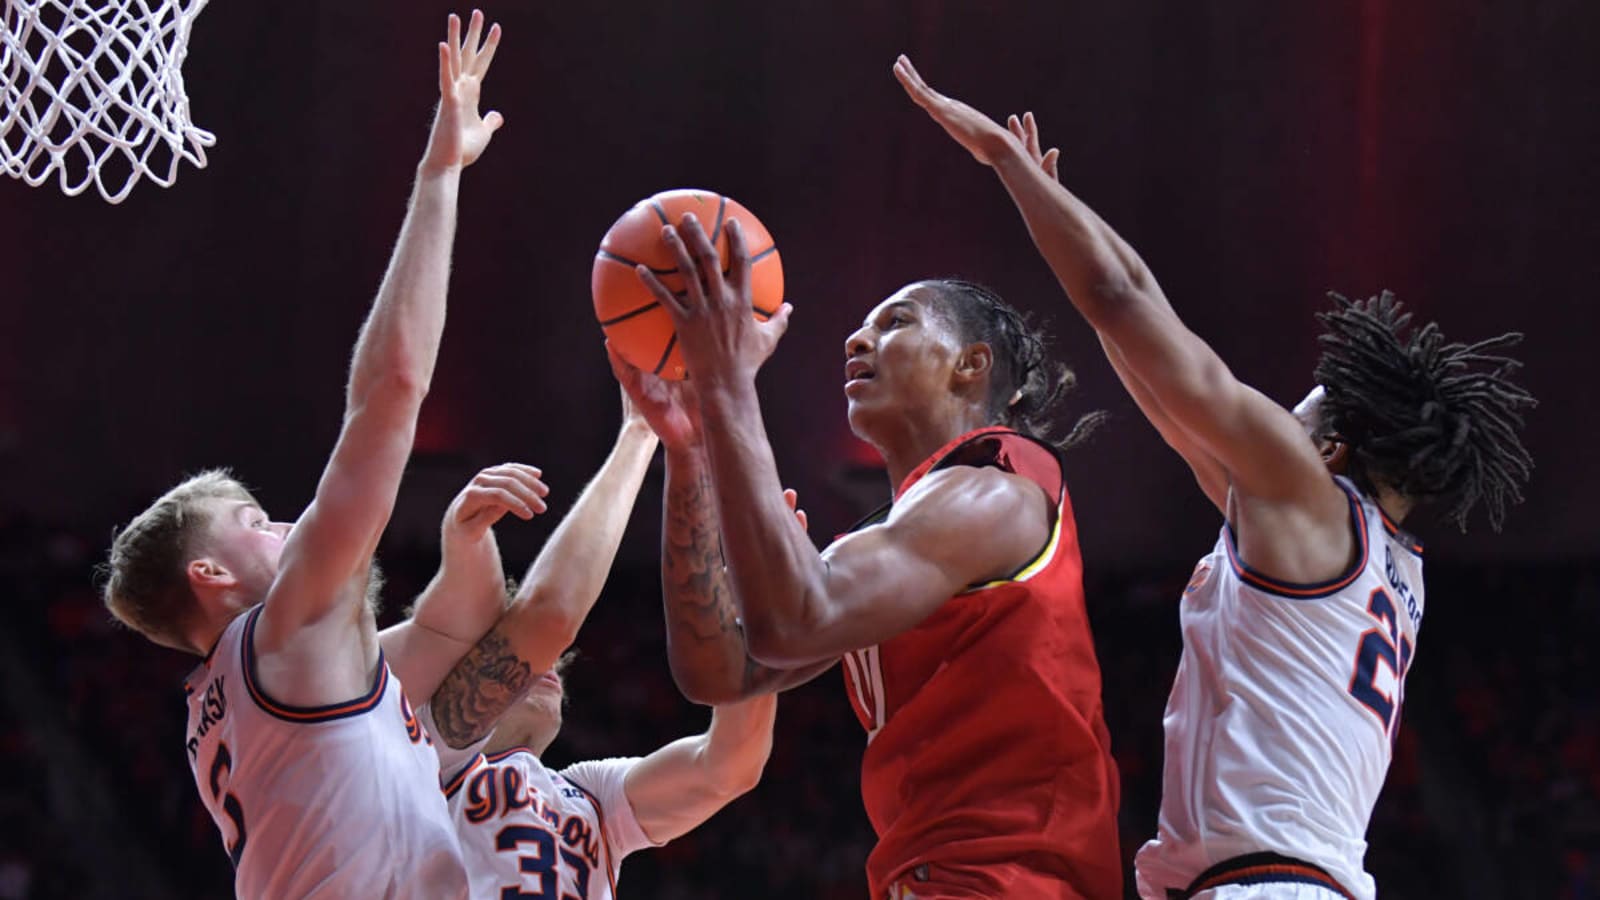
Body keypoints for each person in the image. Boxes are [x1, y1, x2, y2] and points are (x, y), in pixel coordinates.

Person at [891, 55, 1535, 900]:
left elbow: (1122, 299)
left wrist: (1009, 171)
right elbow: (1154, 366)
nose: (1267, 419)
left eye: (1292, 414)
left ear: (1331, 450)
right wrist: (1063, 212)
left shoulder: (1305, 496)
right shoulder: (1375, 561)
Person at [607, 139, 1122, 900]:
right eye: (863, 327)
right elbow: (718, 671)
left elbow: (792, 621)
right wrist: (690, 453)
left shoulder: (1000, 487)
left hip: (1014, 884)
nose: (857, 339)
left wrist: (724, 385)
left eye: (897, 323)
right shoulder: (895, 540)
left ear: (970, 365)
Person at [97, 12, 510, 896]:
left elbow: (444, 631)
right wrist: (439, 174)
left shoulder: (241, 699)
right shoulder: (286, 631)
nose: (285, 523)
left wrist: (469, 546)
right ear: (210, 572)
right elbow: (394, 386)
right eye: (256, 520)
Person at [413, 396, 780, 899]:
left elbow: (729, 767)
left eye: (556, 663)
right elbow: (551, 614)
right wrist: (638, 431)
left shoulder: (589, 793)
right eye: (522, 653)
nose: (551, 668)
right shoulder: (422, 757)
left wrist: (755, 631)